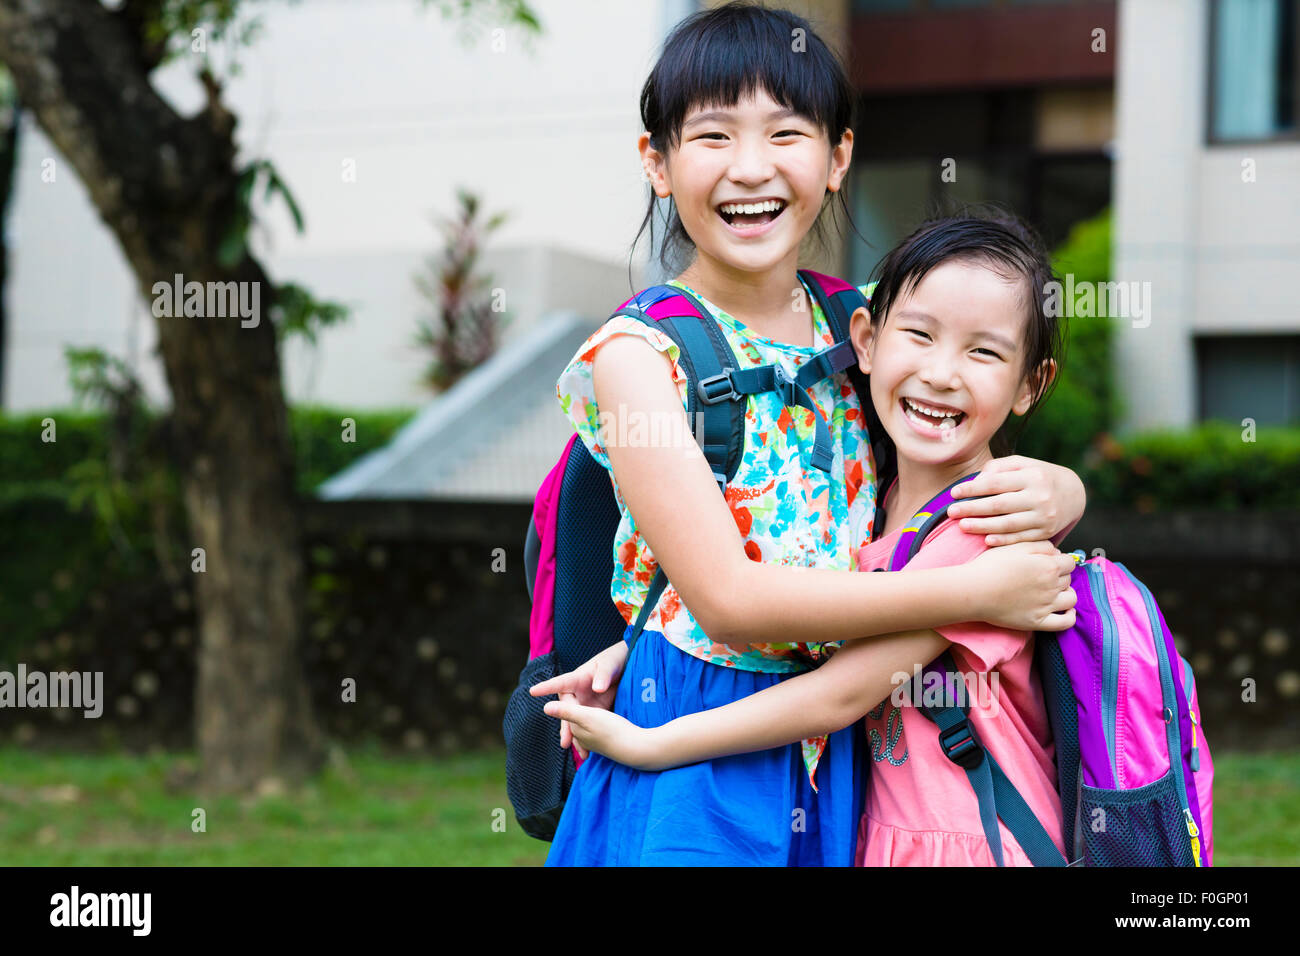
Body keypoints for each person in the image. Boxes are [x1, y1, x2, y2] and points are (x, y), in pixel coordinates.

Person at [533, 3, 1082, 866]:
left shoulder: (862, 325)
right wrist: (977, 596)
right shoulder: (639, 356)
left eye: (787, 133)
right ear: (658, 163)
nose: (752, 169)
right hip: (694, 736)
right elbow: (732, 601)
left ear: (838, 158)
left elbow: (941, 458)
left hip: (845, 745)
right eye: (712, 137)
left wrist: (1060, 489)